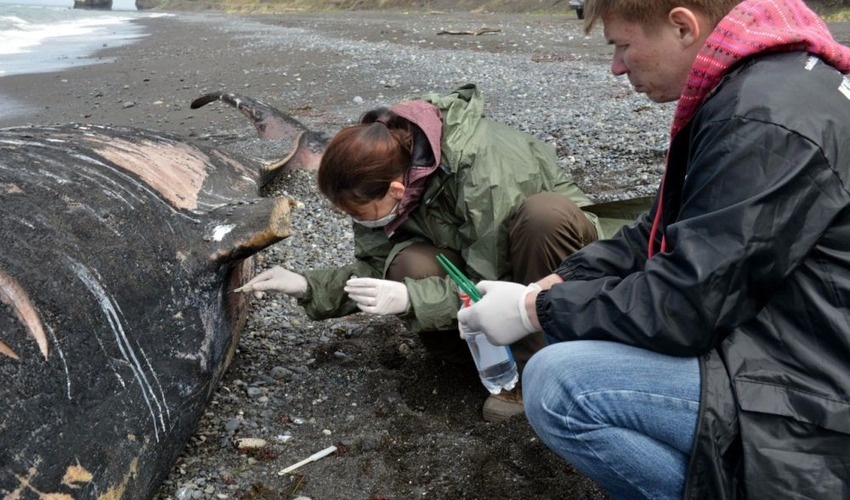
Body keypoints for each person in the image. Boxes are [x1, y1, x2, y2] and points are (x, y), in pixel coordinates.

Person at [457, 0, 850, 497]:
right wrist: (557, 283)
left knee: (560, 384)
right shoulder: (771, 78)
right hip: (798, 329)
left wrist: (535, 310)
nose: (616, 66)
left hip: (818, 382)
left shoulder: (761, 118)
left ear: (683, 26)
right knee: (577, 327)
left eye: (622, 45)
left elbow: (686, 307)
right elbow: (662, 228)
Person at [236, 84, 630, 422]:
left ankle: (531, 376)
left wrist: (412, 298)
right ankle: (476, 361)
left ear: (394, 190)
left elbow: (490, 276)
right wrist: (307, 285)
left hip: (558, 259)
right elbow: (373, 268)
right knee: (408, 263)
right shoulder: (379, 176)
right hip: (487, 260)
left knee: (543, 215)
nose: (359, 221)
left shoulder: (481, 169)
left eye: (359, 214)